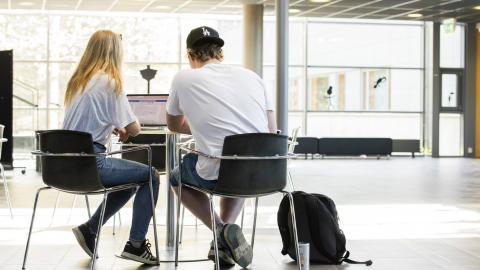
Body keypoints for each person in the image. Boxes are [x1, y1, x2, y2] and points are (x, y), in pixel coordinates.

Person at [166, 26, 277, 268]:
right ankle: (224, 245)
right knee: (238, 164)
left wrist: (201, 125)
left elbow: (174, 125)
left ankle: (220, 231)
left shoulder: (183, 78)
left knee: (176, 178)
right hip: (265, 172)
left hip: (221, 172)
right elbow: (270, 129)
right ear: (220, 53)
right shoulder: (252, 76)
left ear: (190, 55)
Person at [62, 30, 159, 265]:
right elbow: (134, 130)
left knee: (129, 182)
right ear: (115, 52)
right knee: (151, 176)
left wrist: (113, 123)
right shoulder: (110, 82)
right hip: (90, 164)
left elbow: (89, 119)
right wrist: (125, 125)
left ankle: (90, 229)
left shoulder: (78, 82)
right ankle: (136, 245)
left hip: (62, 165)